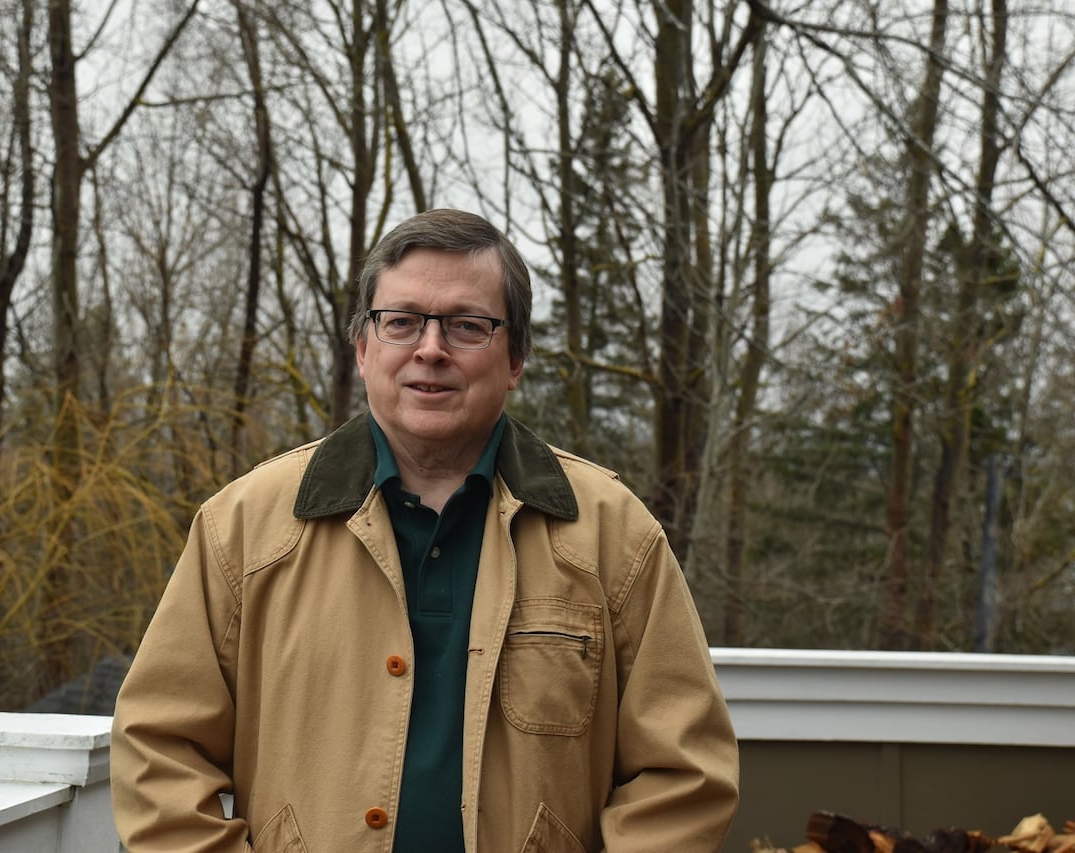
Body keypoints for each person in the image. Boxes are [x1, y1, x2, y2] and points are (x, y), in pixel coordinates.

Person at [110, 208, 739, 853]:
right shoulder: (244, 529)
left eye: (468, 326)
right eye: (401, 322)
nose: (430, 349)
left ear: (515, 355)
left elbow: (684, 774)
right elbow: (159, 746)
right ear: (363, 348)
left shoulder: (613, 535)